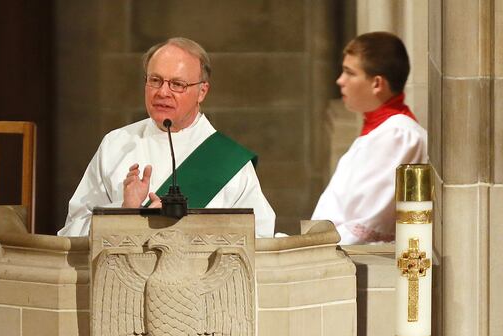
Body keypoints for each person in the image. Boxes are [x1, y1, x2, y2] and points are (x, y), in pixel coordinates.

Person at [58, 37, 275, 238]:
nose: (162, 92)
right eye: (155, 80)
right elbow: (73, 230)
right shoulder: (117, 144)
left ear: (202, 91)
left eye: (177, 84)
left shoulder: (228, 160)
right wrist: (125, 212)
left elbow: (259, 239)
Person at [312, 32, 428, 244]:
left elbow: (369, 223)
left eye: (349, 73)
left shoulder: (399, 136)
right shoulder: (382, 132)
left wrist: (312, 252)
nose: (340, 80)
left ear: (377, 83)